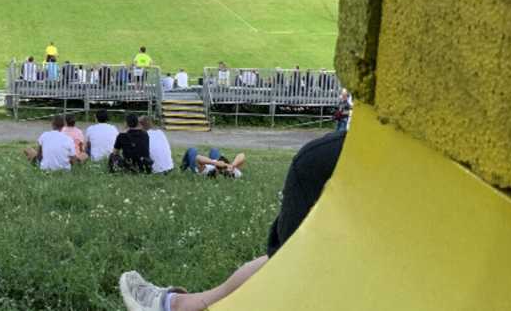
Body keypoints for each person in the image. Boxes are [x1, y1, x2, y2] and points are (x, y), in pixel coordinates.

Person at [119, 132, 346, 311]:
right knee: (288, 252)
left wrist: (219, 166)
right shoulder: (233, 171)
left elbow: (197, 158)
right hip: (221, 165)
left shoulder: (215, 172)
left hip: (209, 166)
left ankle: (181, 307)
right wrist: (228, 165)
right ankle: (182, 306)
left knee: (287, 251)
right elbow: (242, 156)